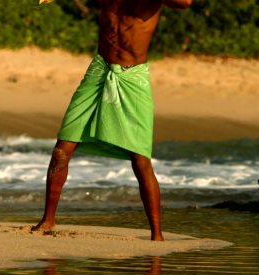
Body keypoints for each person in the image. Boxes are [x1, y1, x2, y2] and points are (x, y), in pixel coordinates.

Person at [32, 0, 192, 241]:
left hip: (133, 77)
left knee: (140, 159)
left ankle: (156, 234)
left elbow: (185, 3)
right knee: (61, 150)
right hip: (99, 70)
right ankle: (48, 220)